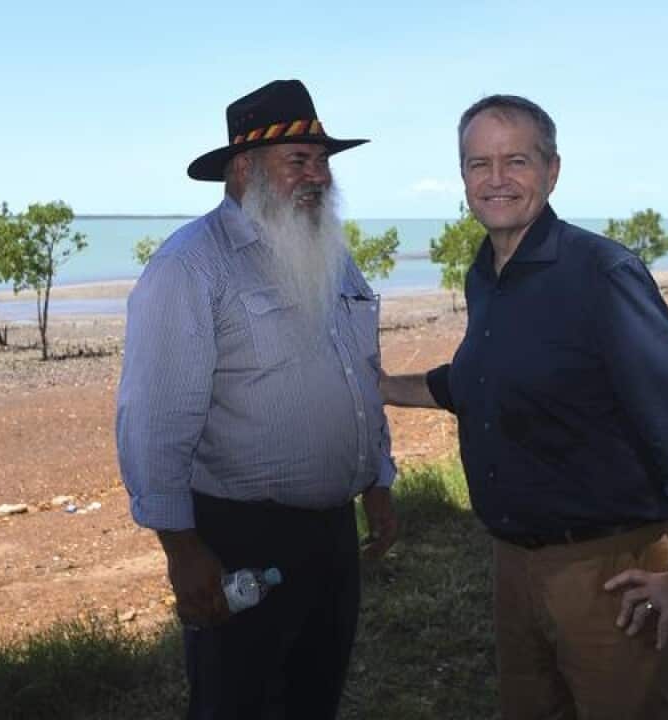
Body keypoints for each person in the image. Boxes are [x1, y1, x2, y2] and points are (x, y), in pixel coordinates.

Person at [380, 95, 668, 719]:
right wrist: (385, 387)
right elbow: (486, 380)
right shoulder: (486, 273)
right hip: (513, 567)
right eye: (479, 164)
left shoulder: (601, 274)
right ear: (463, 177)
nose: (496, 179)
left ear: (552, 171)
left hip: (609, 570)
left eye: (516, 160)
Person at [115, 79, 397, 720]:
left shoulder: (328, 253)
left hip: (331, 535)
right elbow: (154, 417)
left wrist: (377, 479)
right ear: (244, 168)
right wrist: (182, 550)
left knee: (314, 696)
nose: (319, 177)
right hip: (239, 537)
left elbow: (360, 373)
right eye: (300, 160)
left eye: (323, 161)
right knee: (235, 702)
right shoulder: (191, 266)